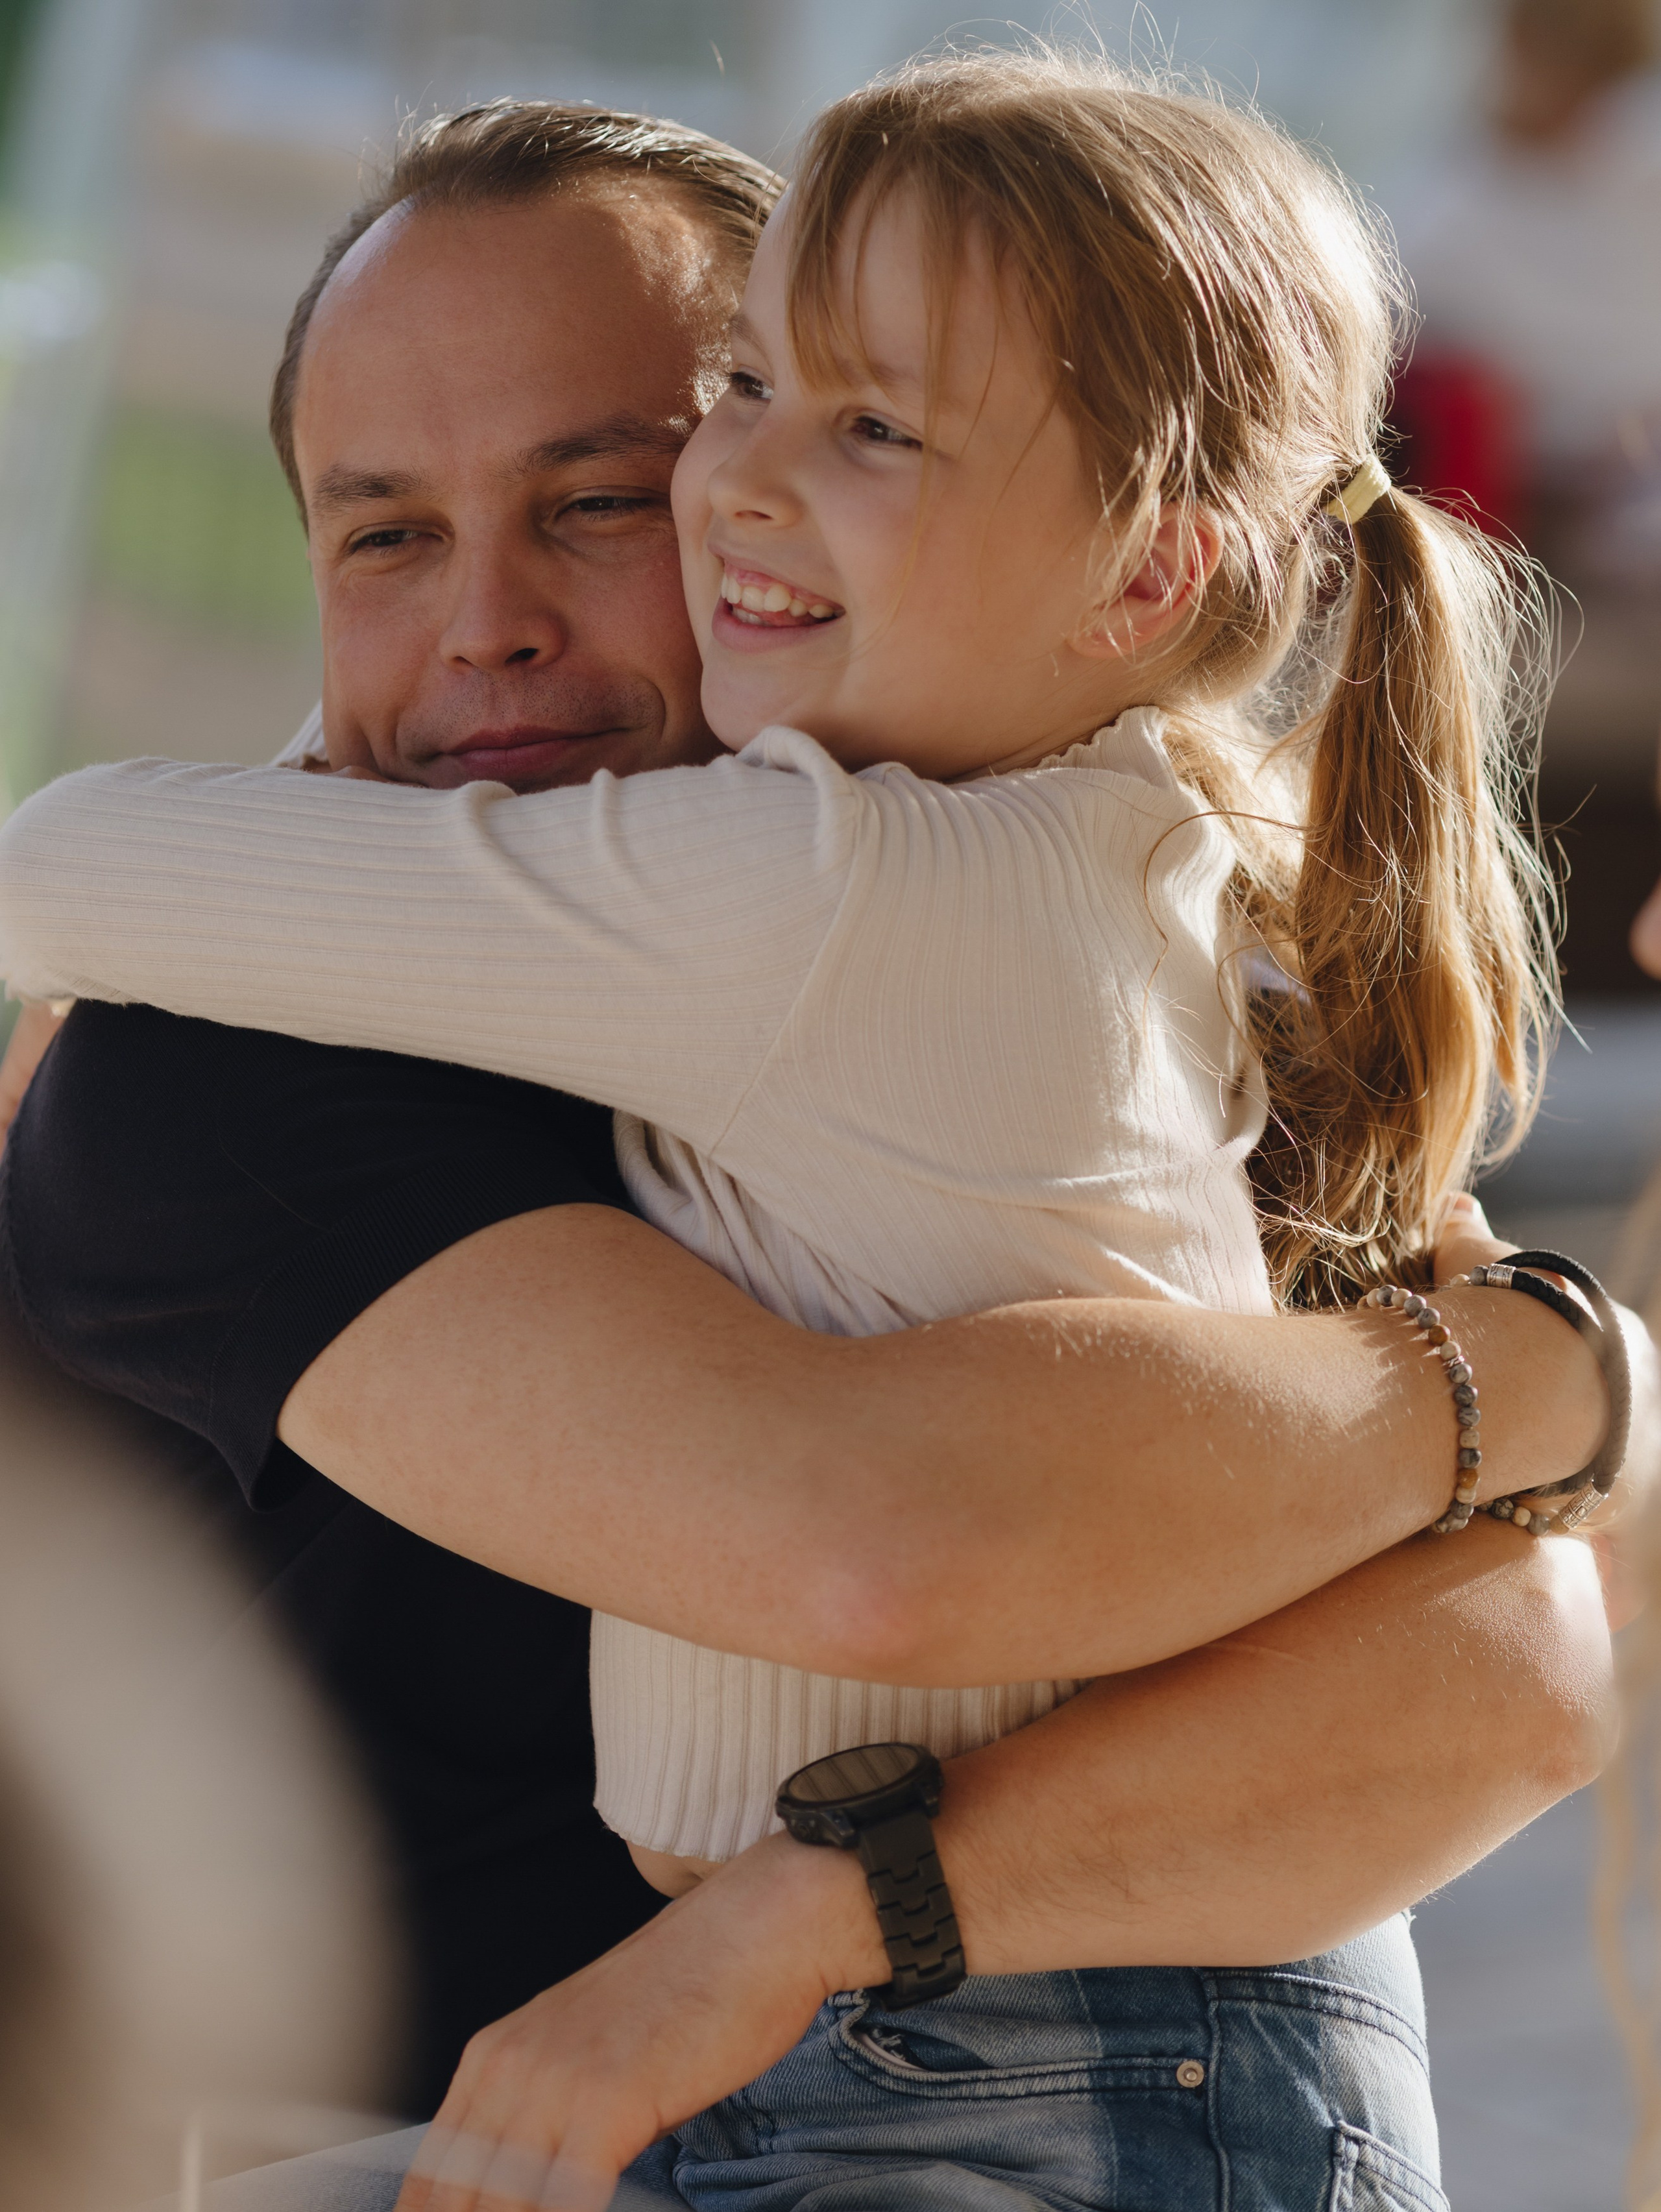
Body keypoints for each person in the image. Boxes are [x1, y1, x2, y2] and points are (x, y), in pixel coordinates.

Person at [0, 88, 1631, 2212]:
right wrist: (1520, 1379)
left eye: (602, 497)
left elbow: (1510, 1680)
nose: (482, 621)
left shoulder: (1077, 939)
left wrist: (794, 1924)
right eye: (381, 532)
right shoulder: (227, 1066)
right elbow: (880, 1526)